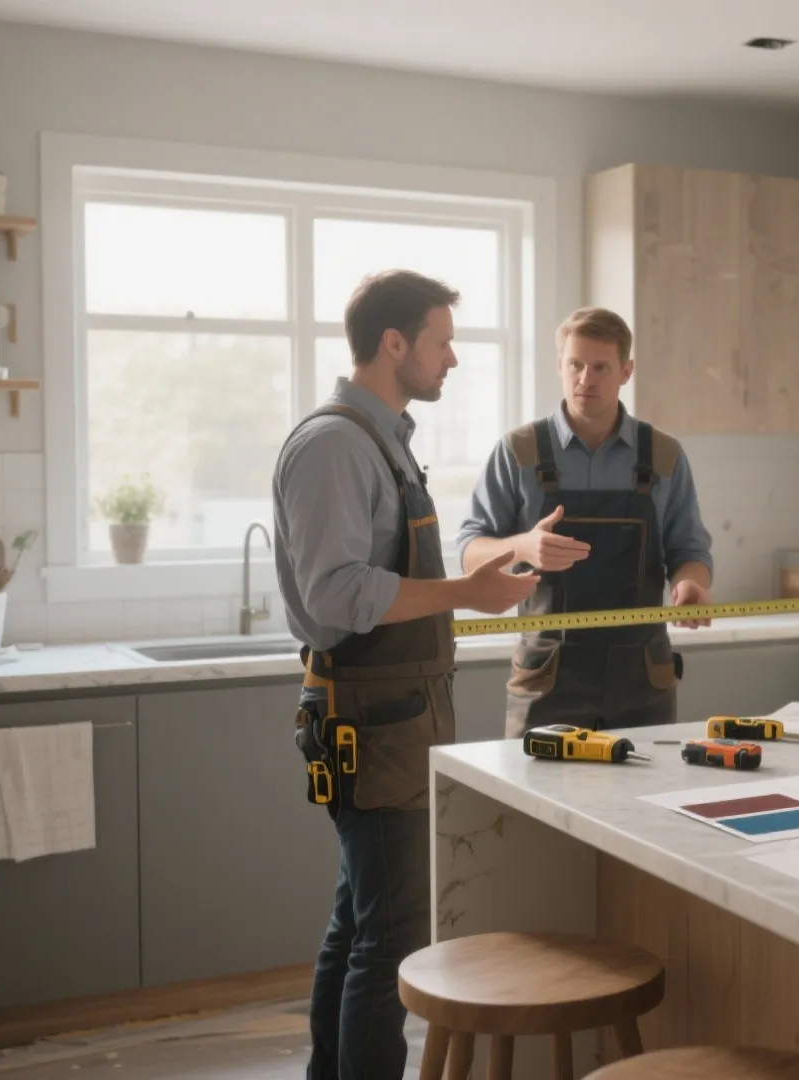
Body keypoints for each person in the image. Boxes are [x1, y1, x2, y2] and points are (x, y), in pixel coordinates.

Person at [272, 269, 540, 1080]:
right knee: (389, 938)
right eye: (442, 340)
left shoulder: (380, 438)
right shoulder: (334, 445)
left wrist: (496, 564)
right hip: (368, 721)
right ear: (394, 344)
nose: (453, 359)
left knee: (359, 921)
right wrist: (465, 591)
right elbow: (337, 592)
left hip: (394, 715)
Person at [457, 306, 715, 736]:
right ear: (560, 365)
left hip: (643, 678)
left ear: (626, 371)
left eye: (600, 367)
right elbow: (468, 550)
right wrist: (522, 547)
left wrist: (691, 582)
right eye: (575, 365)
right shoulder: (517, 450)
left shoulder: (665, 455)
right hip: (546, 676)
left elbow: (690, 550)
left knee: (640, 801)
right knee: (531, 800)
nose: (585, 379)